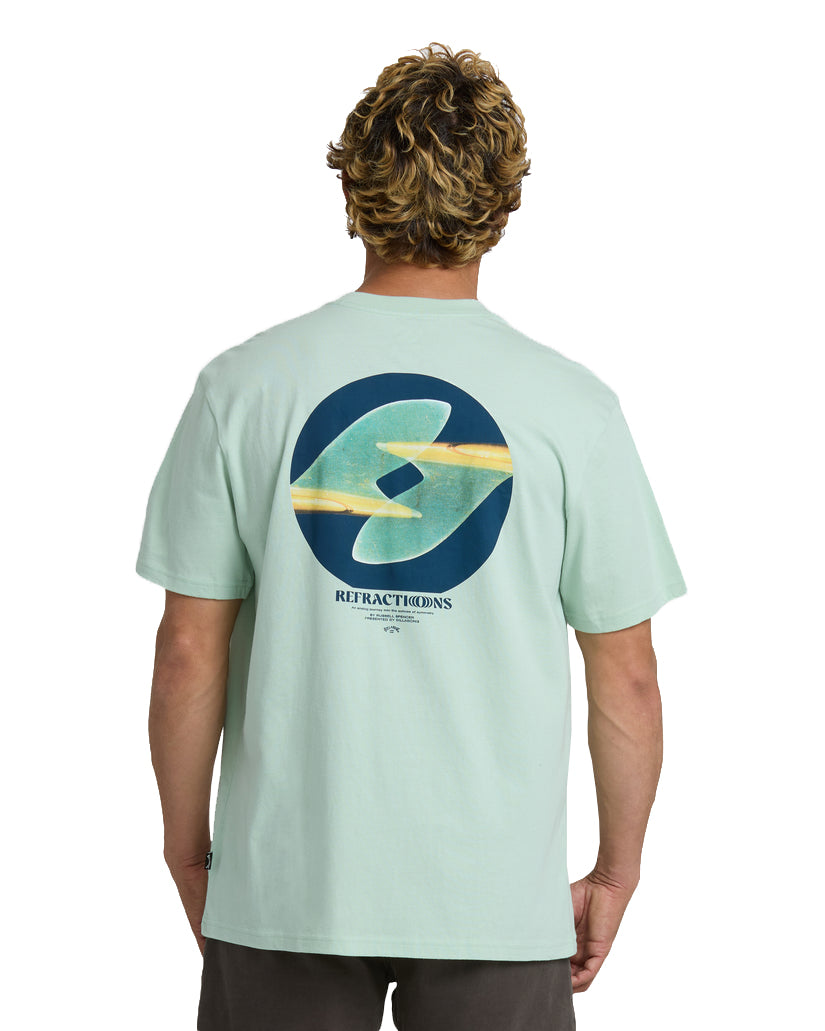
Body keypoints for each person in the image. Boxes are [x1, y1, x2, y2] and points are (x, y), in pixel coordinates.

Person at [137, 41, 687, 1031]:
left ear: (353, 183)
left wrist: (189, 850)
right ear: (504, 199)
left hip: (287, 886)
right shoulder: (573, 409)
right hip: (494, 899)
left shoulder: (243, 388)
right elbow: (629, 674)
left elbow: (187, 650)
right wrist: (616, 869)